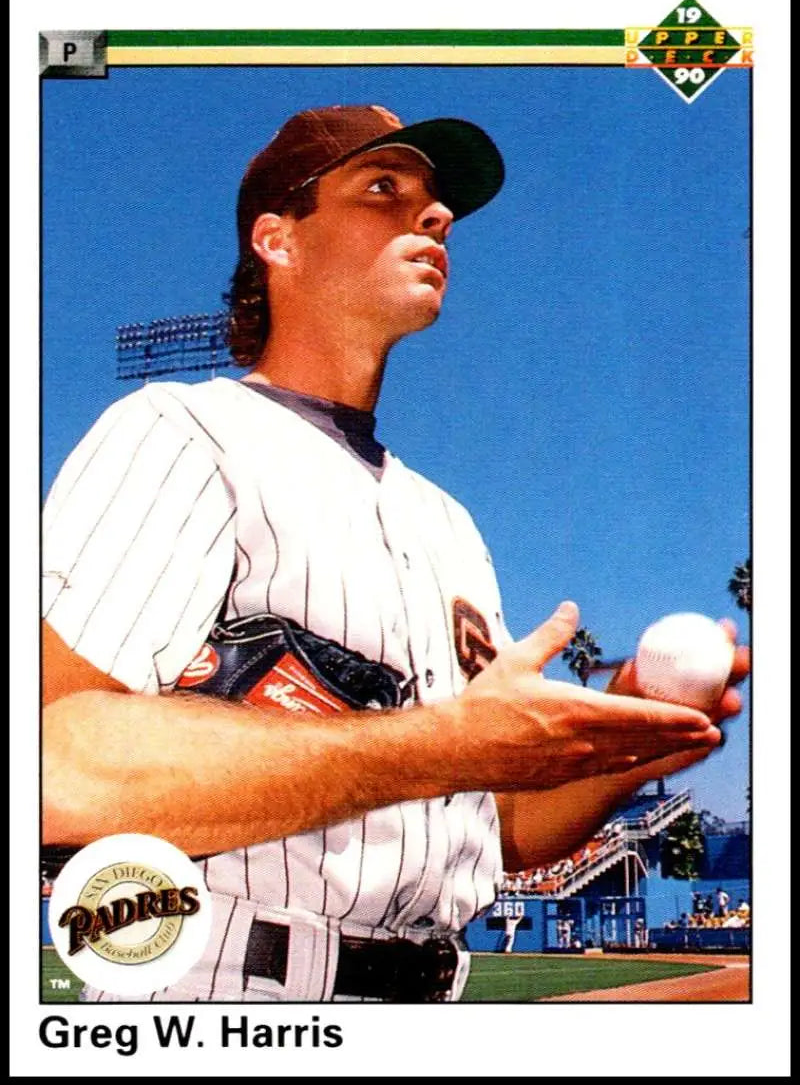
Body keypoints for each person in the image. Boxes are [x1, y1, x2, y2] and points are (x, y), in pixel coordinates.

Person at [42, 103, 749, 1003]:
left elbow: (502, 828)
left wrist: (632, 737)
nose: (435, 215)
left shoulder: (447, 525)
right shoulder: (182, 434)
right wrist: (444, 743)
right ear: (278, 240)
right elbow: (57, 761)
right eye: (383, 189)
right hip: (223, 992)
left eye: (436, 200)